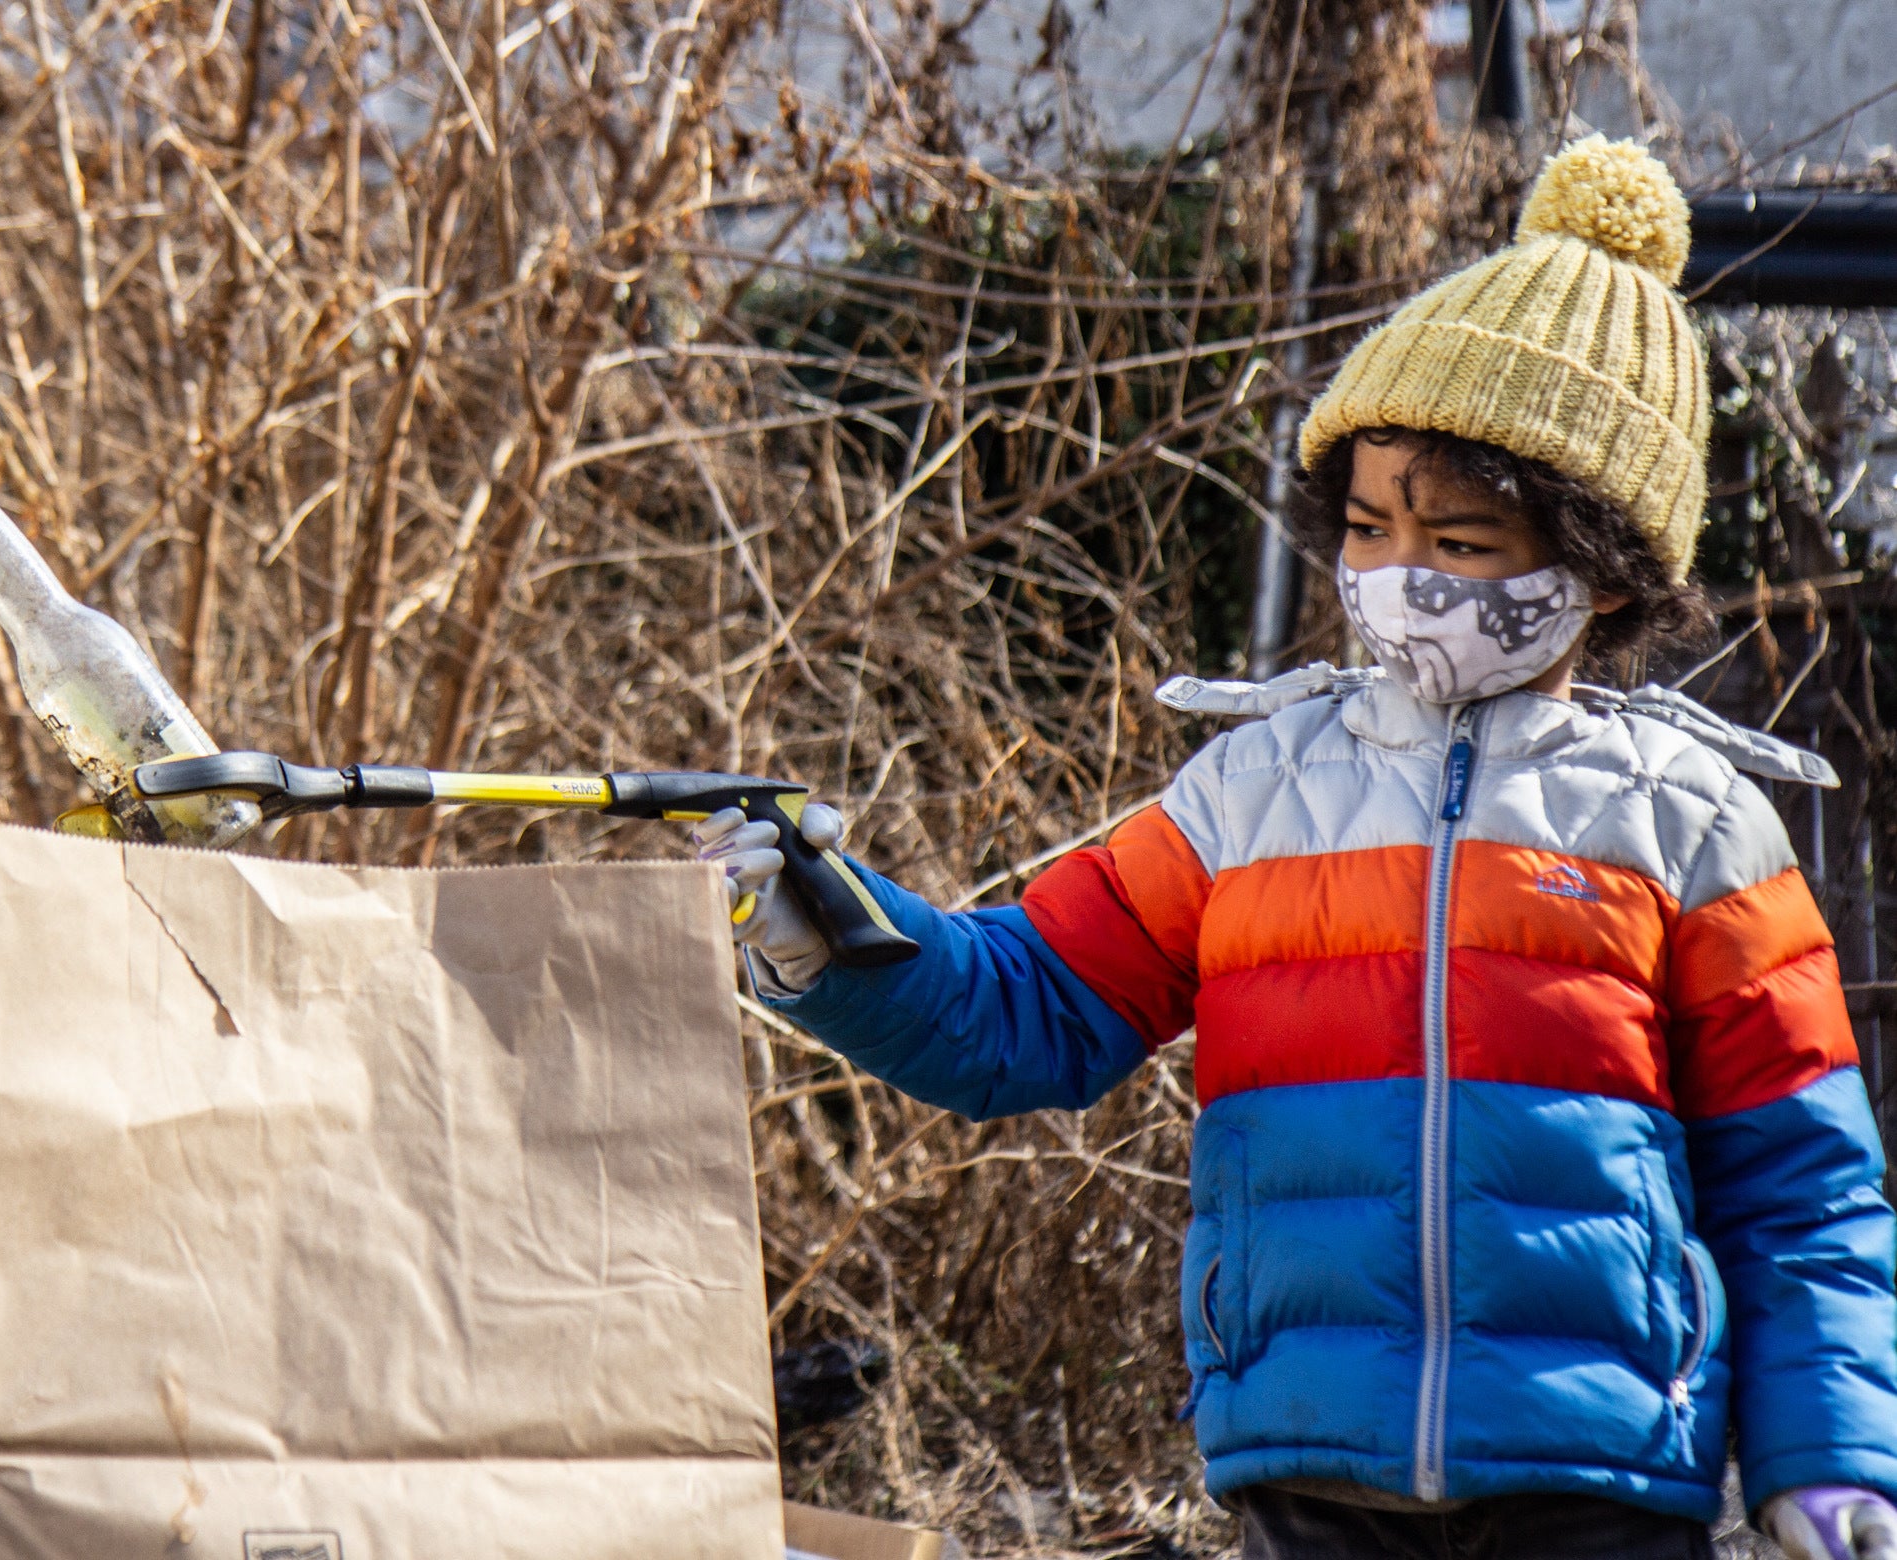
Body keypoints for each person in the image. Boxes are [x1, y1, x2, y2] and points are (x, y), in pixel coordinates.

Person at [697, 138, 1897, 1560]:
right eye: (1372, 527)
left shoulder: (1695, 826)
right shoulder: (1248, 795)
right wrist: (823, 939)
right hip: (1306, 1470)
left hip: (1606, 1481)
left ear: (1606, 567)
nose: (1400, 575)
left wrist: (1834, 1451)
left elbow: (1800, 1183)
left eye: (1458, 540)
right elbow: (1016, 1014)